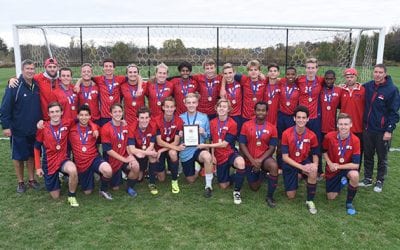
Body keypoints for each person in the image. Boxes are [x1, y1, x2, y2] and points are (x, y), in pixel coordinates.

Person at [0, 59, 42, 193]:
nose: (30, 71)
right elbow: (5, 108)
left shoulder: (37, 85)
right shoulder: (14, 86)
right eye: (27, 68)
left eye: (32, 68)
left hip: (34, 129)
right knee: (18, 157)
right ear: (22, 70)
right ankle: (20, 182)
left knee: (31, 155)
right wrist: (6, 126)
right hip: (18, 129)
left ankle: (31, 179)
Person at [360, 64, 400, 192]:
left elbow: (394, 113)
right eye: (375, 71)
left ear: (385, 74)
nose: (377, 74)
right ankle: (367, 178)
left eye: (380, 72)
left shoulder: (392, 90)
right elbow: (357, 88)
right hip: (367, 128)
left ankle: (379, 180)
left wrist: (389, 129)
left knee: (382, 158)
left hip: (382, 131)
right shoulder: (369, 86)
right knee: (368, 155)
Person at [198, 99, 246, 204]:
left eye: (224, 106)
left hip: (229, 153)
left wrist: (206, 145)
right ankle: (237, 176)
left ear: (229, 109)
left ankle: (237, 192)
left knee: (241, 162)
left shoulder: (232, 123)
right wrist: (212, 154)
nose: (222, 108)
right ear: (216, 108)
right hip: (219, 156)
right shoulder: (212, 122)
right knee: (223, 185)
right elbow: (211, 139)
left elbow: (224, 144)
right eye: (220, 106)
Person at [33, 102, 80, 207]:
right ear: (48, 114)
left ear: (61, 112)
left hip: (63, 159)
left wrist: (93, 127)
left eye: (57, 111)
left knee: (73, 170)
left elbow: (83, 119)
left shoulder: (67, 123)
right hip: (49, 162)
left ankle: (71, 196)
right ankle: (57, 177)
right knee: (55, 196)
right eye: (52, 112)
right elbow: (36, 148)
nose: (55, 114)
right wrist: (38, 167)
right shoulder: (43, 127)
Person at [239, 101, 279, 208]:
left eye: (263, 110)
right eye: (258, 110)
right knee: (254, 187)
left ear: (267, 112)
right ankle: (262, 173)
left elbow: (272, 147)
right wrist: (252, 161)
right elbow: (242, 144)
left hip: (264, 159)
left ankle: (270, 197)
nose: (260, 112)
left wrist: (260, 160)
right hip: (249, 159)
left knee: (274, 166)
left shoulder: (272, 127)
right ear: (255, 111)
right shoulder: (246, 125)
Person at [69, 105, 113, 199]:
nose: (84, 117)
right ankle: (91, 176)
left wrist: (120, 122)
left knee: (108, 170)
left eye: (86, 115)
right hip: (81, 164)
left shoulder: (95, 127)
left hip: (94, 158)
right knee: (87, 192)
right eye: (81, 115)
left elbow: (108, 129)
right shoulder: (71, 129)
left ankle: (103, 189)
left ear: (90, 117)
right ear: (77, 116)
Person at [281, 105, 319, 214]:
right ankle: (299, 175)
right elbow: (285, 157)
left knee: (313, 171)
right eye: (298, 117)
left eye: (303, 118)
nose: (301, 120)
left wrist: (315, 165)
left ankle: (310, 200)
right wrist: (301, 168)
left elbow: (316, 153)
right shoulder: (286, 133)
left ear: (307, 119)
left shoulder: (312, 135)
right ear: (294, 118)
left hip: (303, 160)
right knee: (291, 196)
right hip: (290, 162)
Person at [322, 113, 360, 215]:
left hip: (346, 167)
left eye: (346, 124)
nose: (343, 127)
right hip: (332, 169)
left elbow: (356, 165)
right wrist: (329, 163)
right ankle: (343, 182)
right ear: (337, 125)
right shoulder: (329, 137)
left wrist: (339, 166)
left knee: (355, 175)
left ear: (351, 125)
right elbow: (324, 151)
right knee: (331, 197)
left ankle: (349, 203)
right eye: (341, 124)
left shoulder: (355, 140)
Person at [100, 103, 140, 197]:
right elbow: (108, 150)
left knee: (136, 166)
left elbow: (128, 143)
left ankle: (129, 187)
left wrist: (130, 156)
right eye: (115, 112)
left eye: (119, 111)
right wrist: (125, 160)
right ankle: (106, 183)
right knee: (115, 188)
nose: (118, 114)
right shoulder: (106, 128)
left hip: (124, 156)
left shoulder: (126, 126)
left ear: (122, 113)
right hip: (112, 159)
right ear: (110, 114)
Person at [179, 93, 214, 197]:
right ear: (184, 103)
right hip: (186, 150)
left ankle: (208, 186)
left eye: (193, 102)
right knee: (190, 180)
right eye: (188, 103)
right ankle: (198, 168)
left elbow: (209, 136)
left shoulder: (203, 117)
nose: (191, 105)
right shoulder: (180, 118)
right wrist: (179, 134)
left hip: (199, 148)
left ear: (197, 103)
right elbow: (176, 136)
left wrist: (203, 132)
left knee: (207, 157)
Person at [297, 58, 324, 179]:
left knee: (315, 144)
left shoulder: (321, 80)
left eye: (313, 68)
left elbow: (331, 83)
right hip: (302, 119)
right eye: (308, 67)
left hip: (314, 118)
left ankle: (317, 169)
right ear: (305, 69)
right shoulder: (300, 80)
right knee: (300, 142)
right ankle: (301, 168)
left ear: (317, 69)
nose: (310, 70)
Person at [153, 97, 185, 194]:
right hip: (159, 147)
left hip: (168, 148)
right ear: (163, 107)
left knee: (173, 153)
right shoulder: (156, 120)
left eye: (171, 107)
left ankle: (174, 180)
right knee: (161, 179)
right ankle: (157, 170)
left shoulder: (179, 120)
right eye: (167, 107)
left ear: (175, 108)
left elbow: (176, 141)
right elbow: (159, 142)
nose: (169, 109)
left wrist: (162, 150)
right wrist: (161, 149)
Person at [127, 106, 158, 194]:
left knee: (153, 156)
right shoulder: (132, 128)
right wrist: (146, 152)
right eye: (142, 118)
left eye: (146, 117)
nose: (144, 120)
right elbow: (132, 149)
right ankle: (138, 172)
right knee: (139, 179)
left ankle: (152, 183)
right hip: (136, 152)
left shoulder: (153, 126)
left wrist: (147, 153)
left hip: (146, 149)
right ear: (137, 118)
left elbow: (151, 145)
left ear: (149, 118)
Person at [339, 68, 365, 162]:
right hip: (344, 127)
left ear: (356, 77)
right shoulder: (341, 90)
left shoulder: (363, 90)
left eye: (352, 77)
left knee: (357, 152)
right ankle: (343, 173)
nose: (349, 79)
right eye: (347, 77)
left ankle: (355, 171)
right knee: (343, 151)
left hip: (358, 127)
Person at [221, 63, 243, 134]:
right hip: (226, 115)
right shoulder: (221, 86)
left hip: (238, 115)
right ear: (223, 75)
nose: (228, 75)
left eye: (230, 73)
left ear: (234, 73)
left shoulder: (240, 83)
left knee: (237, 135)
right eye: (225, 73)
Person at [320, 70, 341, 140]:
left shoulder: (339, 90)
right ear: (324, 79)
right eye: (327, 79)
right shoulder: (320, 90)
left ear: (334, 79)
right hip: (319, 126)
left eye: (331, 79)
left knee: (331, 148)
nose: (329, 81)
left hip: (332, 126)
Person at [264, 63, 281, 127]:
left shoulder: (281, 84)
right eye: (270, 71)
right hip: (265, 115)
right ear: (268, 73)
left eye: (275, 71)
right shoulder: (264, 84)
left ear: (278, 73)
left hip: (276, 116)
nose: (272, 73)